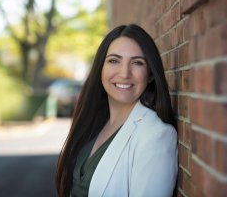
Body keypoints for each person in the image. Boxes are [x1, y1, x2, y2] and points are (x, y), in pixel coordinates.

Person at [56, 24, 178, 197]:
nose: (124, 73)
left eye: (137, 62)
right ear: (101, 68)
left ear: (150, 74)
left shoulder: (156, 135)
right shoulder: (94, 123)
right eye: (114, 60)